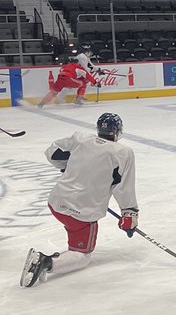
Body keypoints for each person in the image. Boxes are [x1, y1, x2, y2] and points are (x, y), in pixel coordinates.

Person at [20, 112, 138, 287]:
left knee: (74, 231)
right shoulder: (124, 152)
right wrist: (129, 214)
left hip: (56, 203)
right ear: (117, 131)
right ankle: (45, 262)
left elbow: (52, 153)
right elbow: (123, 187)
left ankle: (56, 257)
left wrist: (72, 166)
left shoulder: (80, 138)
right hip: (82, 213)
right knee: (82, 256)